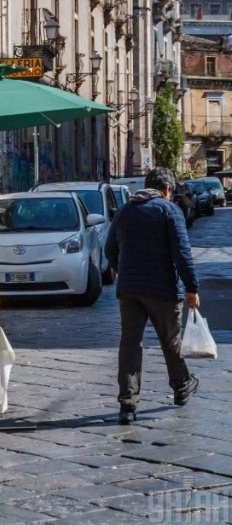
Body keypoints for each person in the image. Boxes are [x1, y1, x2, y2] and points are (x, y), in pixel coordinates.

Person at [105, 167, 200, 425]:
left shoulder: (125, 210)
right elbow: (182, 253)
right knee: (170, 340)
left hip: (129, 290)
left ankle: (127, 404)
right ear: (167, 189)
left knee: (130, 344)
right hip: (163, 290)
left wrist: (121, 270)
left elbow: (109, 249)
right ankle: (181, 387)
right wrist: (192, 288)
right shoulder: (169, 211)